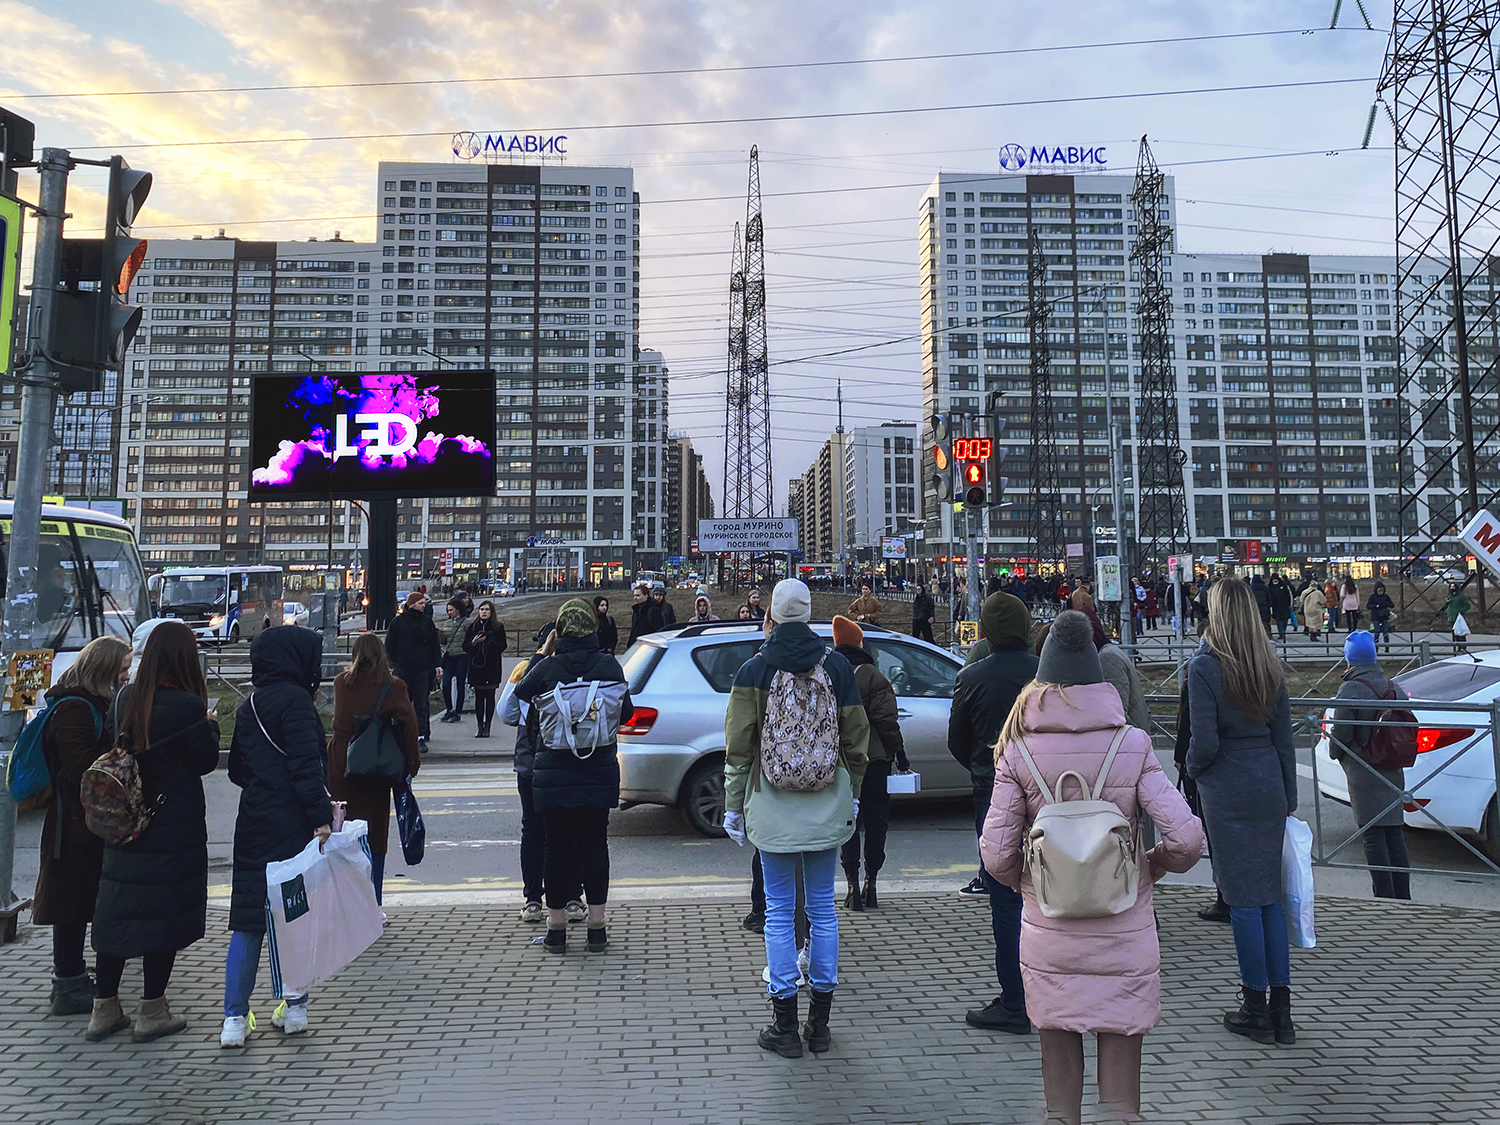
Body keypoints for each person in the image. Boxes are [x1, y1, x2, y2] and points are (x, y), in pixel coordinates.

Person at [982, 611, 1205, 1125]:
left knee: (1059, 1099)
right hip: (1123, 926)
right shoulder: (1132, 743)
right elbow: (1187, 838)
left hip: (1051, 928)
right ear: (1097, 677)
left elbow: (995, 854)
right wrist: (1151, 867)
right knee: (1120, 1103)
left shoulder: (1018, 750)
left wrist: (1030, 881)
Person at [723, 579, 869, 1057]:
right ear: (808, 613)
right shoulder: (838, 665)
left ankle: (784, 1028)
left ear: (772, 615)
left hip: (771, 807)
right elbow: (856, 741)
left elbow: (739, 749)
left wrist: (731, 805)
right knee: (823, 910)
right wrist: (853, 795)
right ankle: (820, 1027)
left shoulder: (753, 669)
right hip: (827, 804)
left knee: (780, 914)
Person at [88, 621, 220, 1044]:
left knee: (118, 911)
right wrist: (211, 726)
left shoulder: (126, 696)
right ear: (184, 657)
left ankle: (103, 1009)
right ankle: (152, 1012)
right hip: (171, 826)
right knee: (162, 917)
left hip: (125, 822)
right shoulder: (187, 705)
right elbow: (203, 762)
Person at [1185, 577, 1298, 1046]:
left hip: (1227, 787)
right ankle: (1282, 1011)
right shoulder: (1268, 664)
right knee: (1269, 898)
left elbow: (1205, 741)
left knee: (1242, 901)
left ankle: (1253, 1004)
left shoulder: (1205, 667)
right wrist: (1288, 797)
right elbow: (1285, 740)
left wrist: (1191, 769)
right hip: (1268, 782)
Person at [219, 626, 332, 1049]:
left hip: (251, 825)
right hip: (292, 827)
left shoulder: (249, 705)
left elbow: (235, 772)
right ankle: (295, 1007)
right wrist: (321, 819)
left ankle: (234, 1019)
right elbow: (307, 769)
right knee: (293, 918)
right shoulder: (298, 703)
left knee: (246, 922)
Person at [514, 599, 634, 955]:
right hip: (598, 770)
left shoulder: (550, 668)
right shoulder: (609, 665)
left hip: (554, 771)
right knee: (596, 846)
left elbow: (522, 692)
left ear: (561, 631)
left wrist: (543, 653)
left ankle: (556, 931)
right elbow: (624, 711)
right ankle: (596, 929)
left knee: (557, 848)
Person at [947, 591, 1038, 1034]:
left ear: (984, 630)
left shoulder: (971, 676)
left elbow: (956, 741)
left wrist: (985, 769)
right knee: (1049, 894)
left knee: (1004, 897)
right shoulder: (1046, 675)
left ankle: (1014, 1001)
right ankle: (1050, 991)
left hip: (993, 795)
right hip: (1046, 799)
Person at [33, 636, 131, 1017]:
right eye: (122, 668)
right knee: (70, 903)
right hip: (73, 824)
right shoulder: (75, 708)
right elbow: (83, 769)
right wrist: (121, 747)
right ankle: (69, 983)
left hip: (82, 821)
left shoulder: (91, 701)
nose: (127, 674)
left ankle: (72, 976)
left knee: (75, 898)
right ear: (103, 669)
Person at [327, 633, 422, 905]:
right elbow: (409, 723)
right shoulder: (392, 686)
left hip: (341, 761)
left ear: (355, 654)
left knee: (342, 831)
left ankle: (344, 901)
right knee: (374, 835)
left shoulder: (340, 683)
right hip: (375, 766)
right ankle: (373, 902)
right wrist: (411, 763)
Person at [500, 631, 583, 925]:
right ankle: (573, 897)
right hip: (563, 761)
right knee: (569, 830)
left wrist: (536, 659)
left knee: (533, 830)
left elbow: (506, 712)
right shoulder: (573, 671)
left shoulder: (525, 670)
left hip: (529, 763)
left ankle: (533, 899)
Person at [831, 616, 908, 912]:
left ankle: (851, 886)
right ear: (859, 643)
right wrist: (899, 753)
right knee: (877, 822)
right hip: (875, 760)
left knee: (848, 823)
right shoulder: (873, 675)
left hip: (842, 762)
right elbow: (886, 721)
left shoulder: (829, 674)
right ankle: (871, 882)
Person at [1330, 630, 1412, 900]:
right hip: (1392, 767)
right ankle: (1402, 897)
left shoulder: (1351, 688)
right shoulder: (1392, 685)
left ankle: (1384, 898)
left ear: (1349, 658)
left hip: (1363, 769)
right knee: (1393, 834)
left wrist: (1337, 754)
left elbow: (1341, 733)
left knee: (1373, 834)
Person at [386, 590, 442, 743]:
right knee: (403, 703)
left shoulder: (426, 622)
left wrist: (437, 664)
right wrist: (394, 663)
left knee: (421, 703)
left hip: (422, 668)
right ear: (412, 605)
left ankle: (421, 734)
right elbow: (390, 644)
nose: (424, 606)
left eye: (424, 603)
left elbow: (434, 644)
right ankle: (402, 733)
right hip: (403, 668)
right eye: (421, 603)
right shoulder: (398, 622)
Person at [464, 599, 507, 738]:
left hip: (492, 667)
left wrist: (491, 642)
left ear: (491, 612)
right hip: (477, 667)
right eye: (482, 609)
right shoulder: (473, 627)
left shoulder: (498, 627)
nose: (484, 612)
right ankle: (479, 726)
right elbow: (465, 647)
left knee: (489, 697)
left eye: (487, 610)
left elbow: (503, 645)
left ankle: (488, 725)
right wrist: (474, 643)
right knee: (479, 698)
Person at [438, 597, 471, 724]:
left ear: (458, 610)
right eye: (448, 610)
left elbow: (470, 638)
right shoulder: (447, 623)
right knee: (445, 684)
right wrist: (441, 636)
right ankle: (449, 709)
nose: (449, 612)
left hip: (462, 656)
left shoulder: (467, 622)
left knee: (460, 684)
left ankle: (458, 712)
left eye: (451, 610)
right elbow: (444, 641)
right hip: (449, 657)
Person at [1366, 581, 1394, 651]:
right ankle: (1376, 647)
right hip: (1375, 616)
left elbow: (1392, 605)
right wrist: (1375, 606)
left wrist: (1385, 604)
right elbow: (1368, 606)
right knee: (1377, 631)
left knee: (1385, 632)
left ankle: (1387, 647)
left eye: (1382, 590)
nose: (1381, 592)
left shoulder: (1386, 597)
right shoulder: (1373, 597)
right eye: (1379, 590)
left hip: (1384, 616)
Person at [1268, 575, 1293, 643]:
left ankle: (1283, 631)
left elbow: (1289, 595)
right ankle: (1281, 633)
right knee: (1279, 620)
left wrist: (1290, 604)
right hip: (1276, 607)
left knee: (1285, 620)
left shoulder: (1284, 586)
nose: (1275, 581)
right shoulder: (1270, 587)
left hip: (1285, 606)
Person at [1445, 583, 1471, 648]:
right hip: (1451, 616)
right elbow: (1446, 606)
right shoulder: (1449, 595)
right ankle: (1455, 647)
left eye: (1453, 586)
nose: (1452, 588)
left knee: (1460, 633)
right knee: (1454, 634)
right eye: (1451, 586)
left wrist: (1460, 611)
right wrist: (1446, 602)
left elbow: (1467, 605)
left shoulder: (1461, 596)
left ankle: (1462, 647)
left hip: (1458, 617)